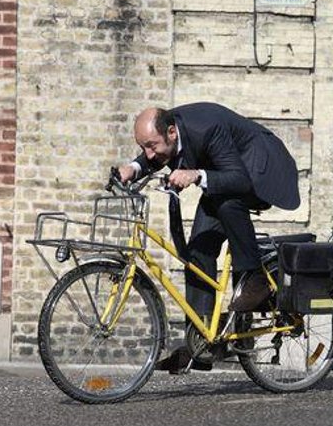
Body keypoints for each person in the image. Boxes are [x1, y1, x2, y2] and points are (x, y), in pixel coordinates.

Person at [118, 103, 300, 373]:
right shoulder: (167, 132)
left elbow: (239, 179)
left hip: (261, 169)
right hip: (228, 174)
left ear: (171, 132)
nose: (148, 153)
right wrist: (133, 168)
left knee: (228, 203)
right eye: (143, 147)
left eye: (151, 145)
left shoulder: (207, 129)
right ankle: (201, 345)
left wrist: (196, 174)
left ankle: (255, 278)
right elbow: (156, 152)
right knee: (198, 251)